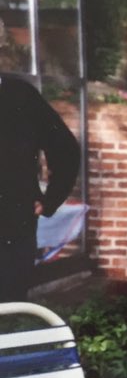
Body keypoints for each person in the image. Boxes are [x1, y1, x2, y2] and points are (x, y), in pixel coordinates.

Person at [0, 73, 80, 301]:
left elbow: (65, 148)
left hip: (10, 225)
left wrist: (51, 199)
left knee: (7, 308)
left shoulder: (20, 95)